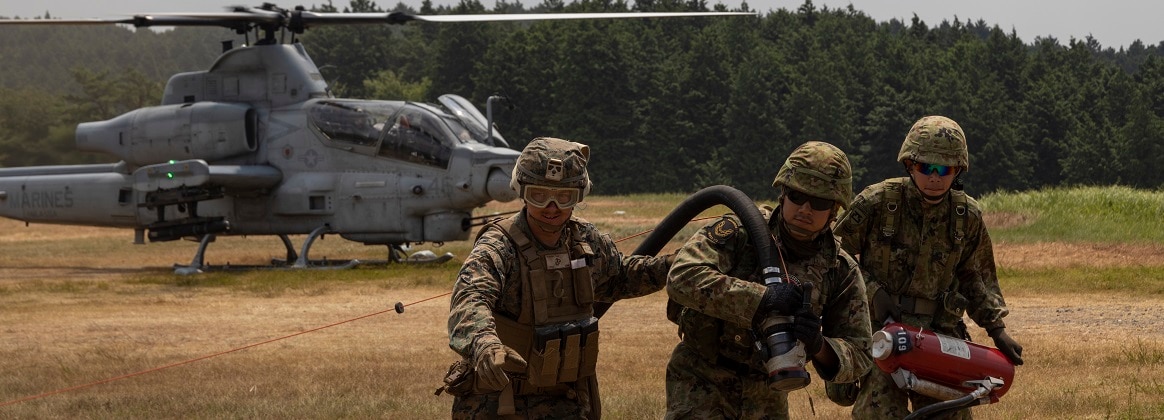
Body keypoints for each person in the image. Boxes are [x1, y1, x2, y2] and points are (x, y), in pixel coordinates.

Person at [442, 137, 673, 419]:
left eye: (564, 197)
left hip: (566, 399)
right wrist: (485, 345)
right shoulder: (499, 245)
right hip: (501, 401)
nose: (552, 207)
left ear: (579, 196)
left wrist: (678, 264)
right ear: (522, 192)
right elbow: (470, 300)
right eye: (540, 195)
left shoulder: (584, 239)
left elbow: (620, 277)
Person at [834, 115, 1024, 419]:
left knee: (948, 413)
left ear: (958, 170)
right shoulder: (876, 202)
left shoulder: (966, 216)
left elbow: (975, 276)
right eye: (926, 167)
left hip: (940, 336)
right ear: (910, 164)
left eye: (945, 169)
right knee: (878, 412)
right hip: (882, 332)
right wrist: (872, 292)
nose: (935, 177)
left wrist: (996, 329)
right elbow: (834, 257)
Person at [665, 141, 872, 418]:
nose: (805, 209)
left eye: (820, 202)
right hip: (702, 376)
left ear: (835, 210)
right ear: (783, 195)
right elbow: (682, 277)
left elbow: (860, 353)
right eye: (798, 196)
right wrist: (762, 299)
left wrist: (819, 345)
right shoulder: (741, 233)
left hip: (769, 390)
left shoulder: (840, 268)